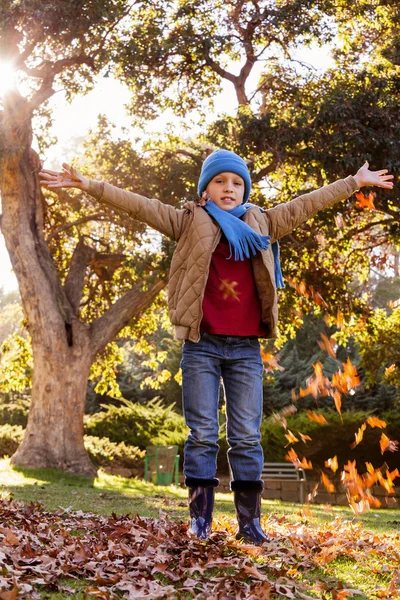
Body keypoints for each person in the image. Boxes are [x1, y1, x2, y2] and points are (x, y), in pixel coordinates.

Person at [39, 150, 393, 544]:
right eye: (221, 181)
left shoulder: (263, 222)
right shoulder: (188, 220)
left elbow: (305, 205)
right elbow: (139, 205)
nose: (229, 188)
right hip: (201, 346)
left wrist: (353, 184)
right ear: (205, 188)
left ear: (245, 189)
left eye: (237, 182)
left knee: (246, 436)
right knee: (203, 434)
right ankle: (200, 520)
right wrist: (89, 184)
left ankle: (250, 523)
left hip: (244, 350)